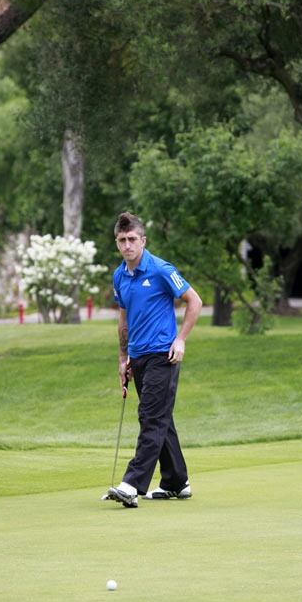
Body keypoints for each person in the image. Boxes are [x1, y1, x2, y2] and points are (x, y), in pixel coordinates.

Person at [106, 212, 202, 508]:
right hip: (138, 357)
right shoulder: (119, 276)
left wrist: (181, 339)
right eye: (121, 240)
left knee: (150, 417)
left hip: (163, 355)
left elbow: (194, 301)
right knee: (161, 418)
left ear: (143, 240)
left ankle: (131, 484)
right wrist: (123, 357)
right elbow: (123, 320)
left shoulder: (161, 269)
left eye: (132, 239)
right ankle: (176, 482)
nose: (127, 245)